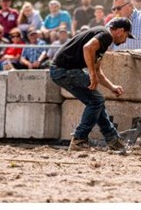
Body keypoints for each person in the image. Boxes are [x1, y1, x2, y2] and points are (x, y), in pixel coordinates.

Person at [50, 18, 131, 152]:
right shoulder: (106, 35)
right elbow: (87, 48)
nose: (125, 40)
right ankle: (79, 139)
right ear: (120, 31)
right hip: (64, 70)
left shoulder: (102, 40)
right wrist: (91, 74)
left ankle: (112, 139)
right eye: (126, 36)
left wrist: (112, 87)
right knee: (96, 101)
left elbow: (97, 69)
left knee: (96, 102)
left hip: (61, 70)